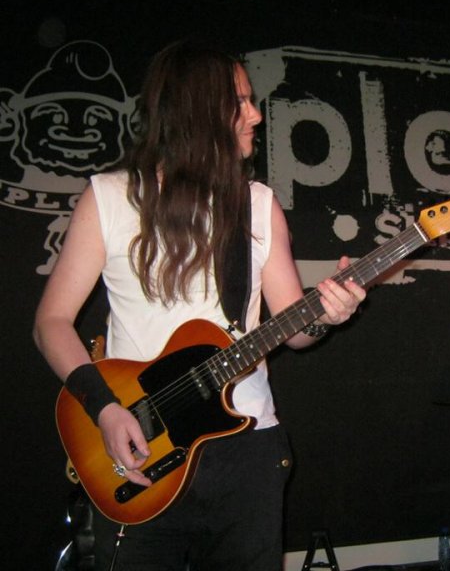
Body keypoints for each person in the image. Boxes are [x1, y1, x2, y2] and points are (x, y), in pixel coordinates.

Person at [33, 41, 366, 570]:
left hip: (246, 443)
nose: (256, 115)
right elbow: (51, 322)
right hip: (141, 443)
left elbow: (295, 328)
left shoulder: (257, 204)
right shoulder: (109, 197)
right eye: (240, 102)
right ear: (197, 112)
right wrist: (105, 409)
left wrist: (327, 314)